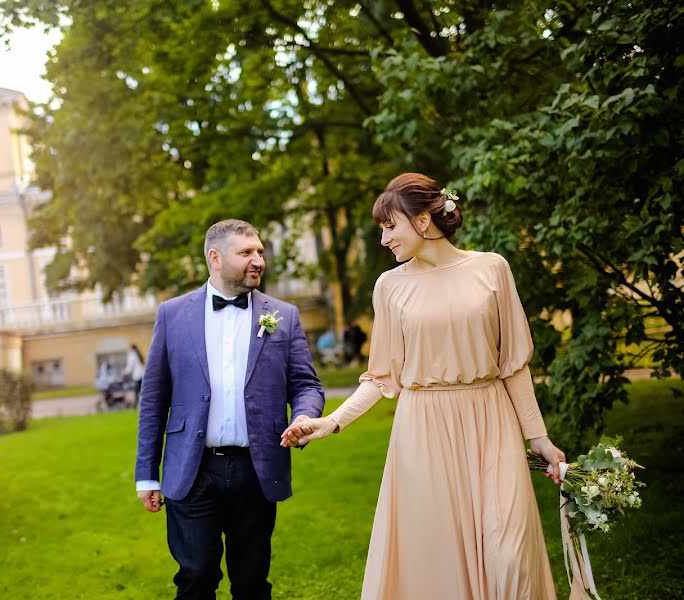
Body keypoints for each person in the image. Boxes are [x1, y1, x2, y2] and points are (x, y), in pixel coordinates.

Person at [281, 173, 565, 600]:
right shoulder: (390, 287)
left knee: (510, 550)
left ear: (422, 220)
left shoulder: (492, 268)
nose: (383, 239)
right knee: (437, 558)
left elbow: (513, 366)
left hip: (492, 421)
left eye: (389, 226)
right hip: (424, 430)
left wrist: (538, 437)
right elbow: (381, 377)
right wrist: (332, 422)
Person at [135, 219, 325, 600]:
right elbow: (154, 398)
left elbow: (306, 385)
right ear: (215, 258)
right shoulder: (172, 315)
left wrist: (304, 415)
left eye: (260, 252)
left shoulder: (283, 316)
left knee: (252, 581)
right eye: (246, 253)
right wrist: (146, 475)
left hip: (257, 468)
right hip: (192, 468)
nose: (258, 260)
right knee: (196, 576)